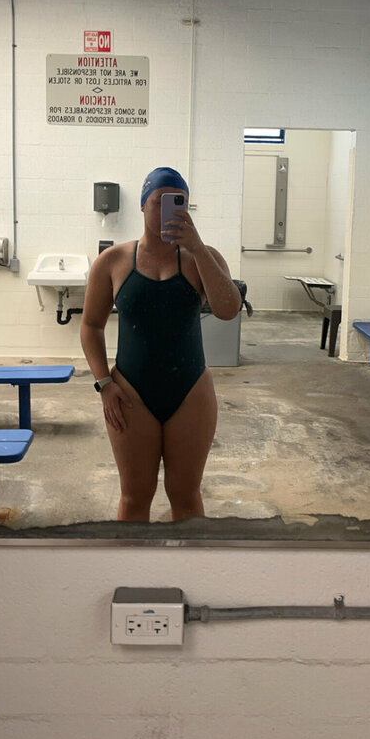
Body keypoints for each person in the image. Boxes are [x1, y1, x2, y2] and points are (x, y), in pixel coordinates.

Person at [80, 166, 242, 523]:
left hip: (191, 391)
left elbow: (228, 310)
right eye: (160, 201)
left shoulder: (204, 258)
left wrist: (197, 247)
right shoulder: (113, 261)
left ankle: (188, 559)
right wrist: (104, 383)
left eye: (179, 202)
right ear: (143, 205)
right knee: (134, 497)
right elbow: (91, 326)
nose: (169, 210)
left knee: (186, 495)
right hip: (130, 392)